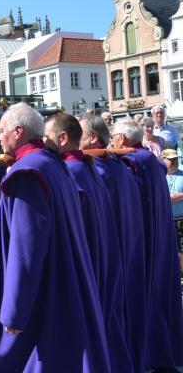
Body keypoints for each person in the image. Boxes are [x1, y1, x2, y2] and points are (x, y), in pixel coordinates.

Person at [0, 103, 110, 372]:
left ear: (19, 131)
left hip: (46, 288)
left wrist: (14, 311)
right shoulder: (54, 164)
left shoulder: (27, 172)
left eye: (2, 130)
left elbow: (26, 246)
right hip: (64, 279)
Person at [44, 113, 130, 372]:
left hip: (86, 260)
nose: (43, 142)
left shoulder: (72, 171)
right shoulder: (91, 166)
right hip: (103, 254)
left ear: (62, 138)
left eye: (47, 137)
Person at [113, 119, 183, 370]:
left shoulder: (131, 162)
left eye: (113, 136)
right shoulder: (150, 160)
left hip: (142, 236)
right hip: (159, 235)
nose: (111, 140)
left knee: (145, 296)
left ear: (122, 138)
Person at [80, 115, 147, 372]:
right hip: (127, 249)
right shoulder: (120, 167)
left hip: (110, 253)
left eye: (81, 134)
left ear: (94, 138)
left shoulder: (98, 170)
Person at [162, 149, 183, 274]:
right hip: (164, 219)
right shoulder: (159, 175)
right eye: (171, 159)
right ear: (163, 160)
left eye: (176, 158)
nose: (175, 161)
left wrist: (179, 196)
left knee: (181, 249)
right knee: (166, 248)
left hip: (180, 219)